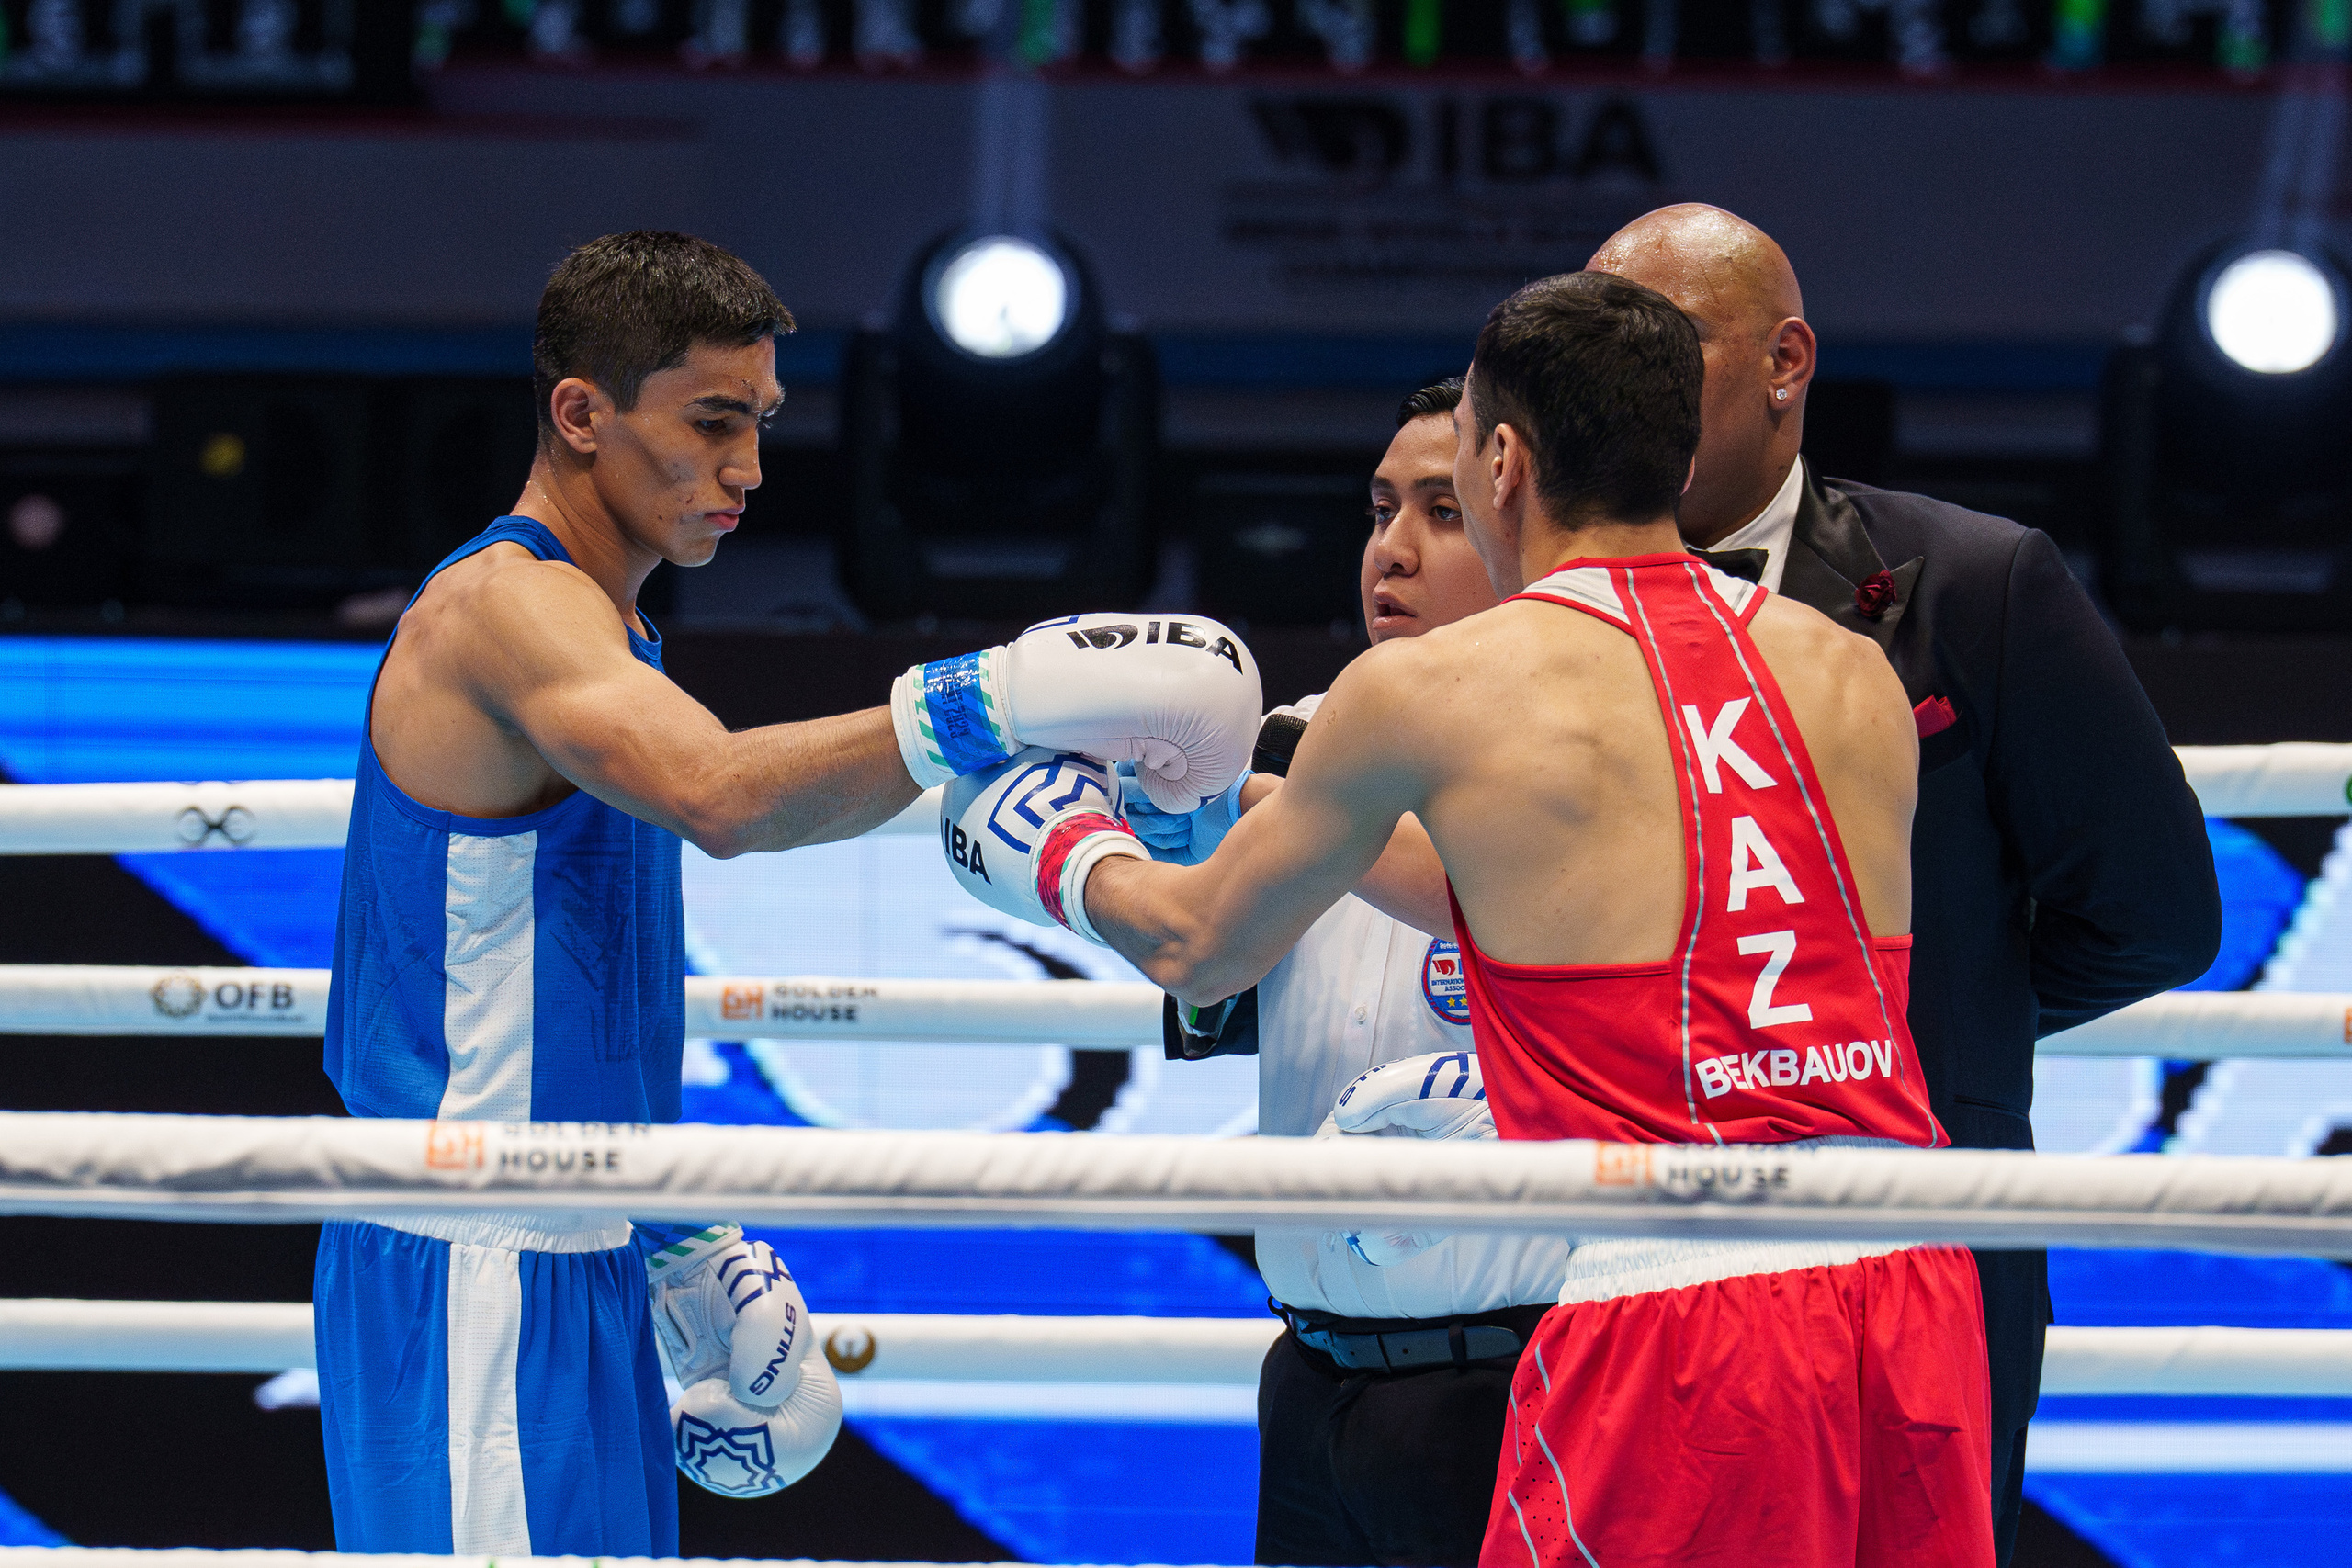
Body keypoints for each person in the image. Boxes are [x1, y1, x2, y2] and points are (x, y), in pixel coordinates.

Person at [943, 271, 1996, 1564]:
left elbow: (1197, 944)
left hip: (1675, 1296)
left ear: (1504, 463)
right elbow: (1612, 904)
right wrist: (1259, 796)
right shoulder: (1847, 671)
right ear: (1679, 456)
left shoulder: (1433, 690)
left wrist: (1058, 848)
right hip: (1907, 1284)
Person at [317, 231, 1262, 1554]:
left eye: (760, 422)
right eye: (712, 422)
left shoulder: (604, 631)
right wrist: (989, 695)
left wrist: (666, 1218)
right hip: (481, 1241)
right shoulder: (507, 611)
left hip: (574, 1226)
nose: (750, 468)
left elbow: (579, 964)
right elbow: (722, 796)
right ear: (581, 414)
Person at [1588, 203, 2222, 1562]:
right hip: (1603, 1243)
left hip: (1914, 1217)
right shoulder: (1526, 612)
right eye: (1598, 351)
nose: (1621, 387)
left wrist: (1879, 1036)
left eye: (1667, 344)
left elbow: (2156, 914)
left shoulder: (1978, 586)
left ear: (1786, 362)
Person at [1126, 379, 1567, 1568]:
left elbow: (1486, 894)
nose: (1393, 550)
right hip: (1310, 1379)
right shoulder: (1279, 739)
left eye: (1440, 510)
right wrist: (1112, 847)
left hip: (1518, 1382)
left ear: (1522, 521)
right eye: (1380, 511)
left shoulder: (1587, 754)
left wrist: (1281, 803)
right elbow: (1207, 985)